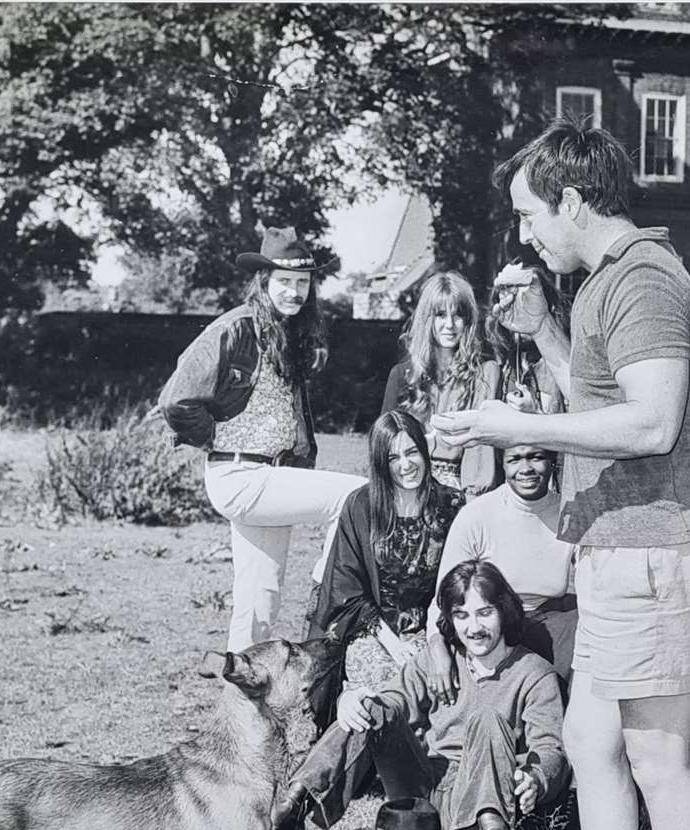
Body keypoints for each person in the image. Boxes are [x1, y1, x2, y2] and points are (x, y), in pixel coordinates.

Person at [432, 117, 690, 830]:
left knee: (657, 757)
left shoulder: (642, 280)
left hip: (658, 550)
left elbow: (650, 423)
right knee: (587, 741)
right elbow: (604, 398)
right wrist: (545, 339)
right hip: (620, 546)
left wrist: (510, 425)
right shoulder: (609, 280)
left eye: (531, 213)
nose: (525, 233)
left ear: (573, 200)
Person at [272, 559, 568, 830]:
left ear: (505, 610)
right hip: (420, 795)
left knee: (487, 716)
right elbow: (394, 699)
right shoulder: (438, 661)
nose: (474, 627)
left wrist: (536, 778)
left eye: (485, 612)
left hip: (477, 793)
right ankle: (291, 805)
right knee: (370, 707)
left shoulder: (534, 673)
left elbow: (550, 748)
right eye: (462, 615)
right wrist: (352, 700)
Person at [158, 227, 366, 652]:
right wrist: (213, 435)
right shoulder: (235, 328)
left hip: (273, 475)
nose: (293, 292)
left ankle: (240, 702)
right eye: (284, 282)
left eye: (302, 284)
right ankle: (325, 593)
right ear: (264, 282)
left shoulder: (288, 335)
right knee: (357, 496)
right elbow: (175, 400)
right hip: (239, 474)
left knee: (259, 602)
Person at [308, 410, 466, 696]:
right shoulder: (362, 506)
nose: (405, 465)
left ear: (425, 450)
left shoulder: (451, 505)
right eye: (393, 458)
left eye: (412, 452)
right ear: (381, 462)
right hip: (375, 629)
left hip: (436, 626)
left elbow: (461, 582)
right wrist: (394, 645)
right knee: (380, 678)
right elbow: (348, 591)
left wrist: (435, 639)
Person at [423, 444, 577, 697]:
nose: (525, 468)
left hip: (548, 623)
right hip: (491, 624)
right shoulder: (477, 515)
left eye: (536, 457)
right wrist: (436, 644)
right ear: (502, 464)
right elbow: (444, 595)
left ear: (552, 461)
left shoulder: (569, 513)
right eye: (514, 459)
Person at [380, 271, 503, 495]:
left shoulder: (484, 375)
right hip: (408, 487)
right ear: (427, 318)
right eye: (440, 314)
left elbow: (484, 454)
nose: (450, 324)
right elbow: (382, 447)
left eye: (457, 315)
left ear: (468, 320)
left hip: (461, 491)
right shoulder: (402, 375)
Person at [487, 264, 568, 415]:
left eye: (527, 304)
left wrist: (535, 412)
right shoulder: (505, 363)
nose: (522, 313)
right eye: (512, 305)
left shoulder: (563, 359)